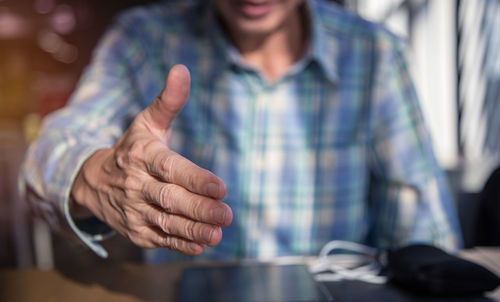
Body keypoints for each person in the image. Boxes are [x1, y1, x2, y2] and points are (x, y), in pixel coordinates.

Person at [20, 0, 462, 262]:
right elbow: (56, 145)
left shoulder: (375, 55)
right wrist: (95, 176)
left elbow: (425, 234)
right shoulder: (144, 39)